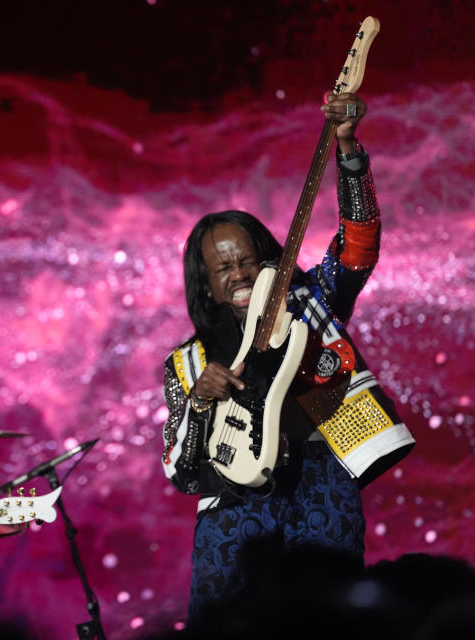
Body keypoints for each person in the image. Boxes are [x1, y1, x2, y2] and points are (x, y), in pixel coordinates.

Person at [159, 92, 415, 626]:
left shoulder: (312, 302)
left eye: (248, 261)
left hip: (321, 480)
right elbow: (182, 474)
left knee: (331, 621)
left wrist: (349, 153)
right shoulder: (187, 363)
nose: (240, 276)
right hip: (234, 505)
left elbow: (358, 246)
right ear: (204, 286)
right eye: (224, 269)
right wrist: (201, 403)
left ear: (267, 260)